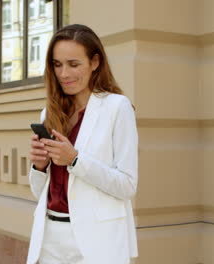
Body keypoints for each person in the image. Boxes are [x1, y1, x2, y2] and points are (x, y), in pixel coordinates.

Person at [28, 24, 138, 264]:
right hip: (49, 238)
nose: (64, 74)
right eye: (57, 65)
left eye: (74, 64)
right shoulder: (49, 113)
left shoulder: (117, 107)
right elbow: (41, 193)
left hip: (97, 242)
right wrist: (39, 167)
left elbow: (128, 185)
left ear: (95, 62)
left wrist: (75, 160)